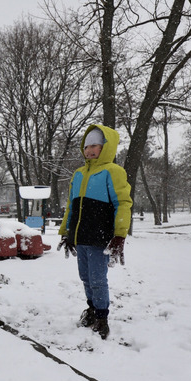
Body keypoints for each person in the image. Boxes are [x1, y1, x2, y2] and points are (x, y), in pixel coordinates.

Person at [56, 124, 133, 339]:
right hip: (81, 237)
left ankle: (102, 316)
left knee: (98, 278)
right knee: (85, 277)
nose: (89, 150)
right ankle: (91, 308)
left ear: (106, 147)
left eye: (95, 146)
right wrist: (67, 231)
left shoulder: (112, 171)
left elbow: (123, 203)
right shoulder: (78, 174)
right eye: (86, 146)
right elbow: (71, 205)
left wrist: (119, 234)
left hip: (100, 237)